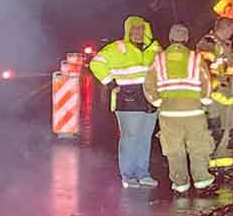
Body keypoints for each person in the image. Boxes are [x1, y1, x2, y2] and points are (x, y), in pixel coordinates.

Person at [88, 15, 161, 188]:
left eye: (141, 28)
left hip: (150, 100)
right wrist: (111, 83)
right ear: (128, 30)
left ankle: (143, 173)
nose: (138, 32)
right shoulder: (118, 48)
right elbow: (96, 63)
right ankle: (128, 175)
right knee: (130, 137)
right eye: (134, 28)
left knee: (145, 138)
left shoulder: (155, 48)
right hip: (128, 101)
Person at [144, 23, 215, 193]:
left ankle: (180, 184)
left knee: (174, 148)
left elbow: (148, 84)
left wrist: (157, 102)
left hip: (169, 113)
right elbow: (206, 81)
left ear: (170, 38)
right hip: (194, 112)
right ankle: (202, 181)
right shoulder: (195, 58)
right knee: (198, 146)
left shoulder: (159, 59)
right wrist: (204, 101)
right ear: (186, 38)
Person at [196, 17, 233, 174]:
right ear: (225, 28)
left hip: (226, 97)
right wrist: (214, 92)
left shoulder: (224, 45)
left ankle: (223, 165)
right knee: (214, 130)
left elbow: (228, 73)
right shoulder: (208, 43)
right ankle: (208, 166)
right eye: (231, 29)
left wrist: (232, 92)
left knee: (227, 130)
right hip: (214, 98)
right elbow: (204, 71)